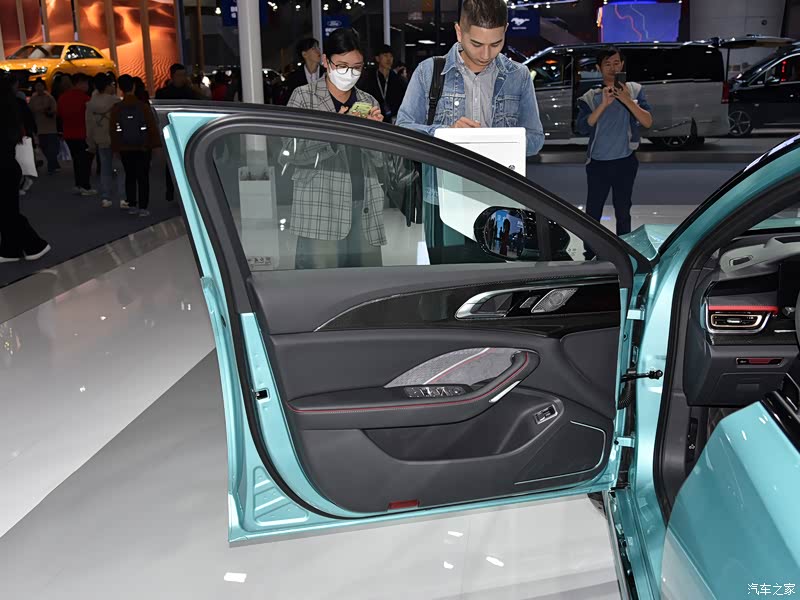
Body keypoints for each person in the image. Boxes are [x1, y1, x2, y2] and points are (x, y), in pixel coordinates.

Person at [396, 0, 544, 263]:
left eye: (496, 43)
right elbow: (403, 130)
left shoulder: (519, 76)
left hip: (501, 200)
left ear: (505, 30)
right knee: (448, 279)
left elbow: (535, 139)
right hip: (443, 199)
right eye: (476, 44)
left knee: (498, 282)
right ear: (458, 31)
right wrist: (446, 133)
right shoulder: (430, 71)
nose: (486, 54)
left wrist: (497, 142)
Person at [283, 28, 385, 269]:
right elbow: (290, 151)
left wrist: (376, 134)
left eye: (357, 67)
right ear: (326, 61)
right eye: (342, 66)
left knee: (367, 281)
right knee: (322, 280)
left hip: (364, 205)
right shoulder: (304, 97)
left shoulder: (368, 101)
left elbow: (381, 161)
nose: (349, 73)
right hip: (321, 206)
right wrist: (336, 134)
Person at [576, 46, 652, 255]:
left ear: (623, 65)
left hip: (625, 161)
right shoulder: (591, 96)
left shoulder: (635, 90)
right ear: (599, 68)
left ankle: (624, 252)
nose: (612, 68)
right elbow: (582, 127)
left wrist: (626, 99)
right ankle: (590, 252)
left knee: (623, 210)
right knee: (593, 211)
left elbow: (647, 121)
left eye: (616, 63)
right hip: (597, 163)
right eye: (607, 64)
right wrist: (604, 104)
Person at [0, 75, 50, 263]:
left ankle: (35, 245)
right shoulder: (12, 105)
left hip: (4, 167)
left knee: (7, 212)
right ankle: (10, 249)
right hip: (8, 165)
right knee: (7, 211)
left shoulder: (6, 108)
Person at [110, 75, 160, 217]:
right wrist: (154, 145)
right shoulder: (143, 107)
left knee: (129, 176)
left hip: (125, 148)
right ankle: (143, 207)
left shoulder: (117, 108)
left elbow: (113, 130)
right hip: (143, 147)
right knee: (143, 177)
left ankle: (132, 205)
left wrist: (116, 148)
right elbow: (152, 127)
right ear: (133, 86)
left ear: (120, 88)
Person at [156, 64, 199, 201]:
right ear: (172, 76)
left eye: (183, 75)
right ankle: (171, 190)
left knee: (185, 161)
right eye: (179, 75)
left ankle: (184, 191)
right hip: (170, 130)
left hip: (186, 130)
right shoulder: (163, 93)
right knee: (171, 162)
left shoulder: (191, 93)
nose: (182, 78)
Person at [86, 73, 123, 209]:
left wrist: (90, 142)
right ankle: (123, 197)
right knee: (120, 169)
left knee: (105, 169)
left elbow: (89, 124)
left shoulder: (91, 104)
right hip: (116, 139)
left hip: (100, 139)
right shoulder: (116, 101)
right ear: (107, 86)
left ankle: (106, 197)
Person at [58, 72, 95, 195]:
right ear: (80, 83)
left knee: (76, 160)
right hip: (83, 134)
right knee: (85, 161)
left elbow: (60, 114)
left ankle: (78, 184)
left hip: (69, 133)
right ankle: (85, 186)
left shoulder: (63, 98)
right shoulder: (86, 99)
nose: (87, 86)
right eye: (86, 83)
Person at [358, 44, 407, 123]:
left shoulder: (398, 80)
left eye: (391, 56)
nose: (389, 59)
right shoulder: (368, 79)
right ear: (377, 58)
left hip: (394, 120)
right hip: (372, 119)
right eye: (385, 55)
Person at [29, 78, 59, 174]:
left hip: (50, 126)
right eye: (37, 86)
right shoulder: (33, 98)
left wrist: (48, 111)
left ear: (44, 86)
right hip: (39, 126)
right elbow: (30, 110)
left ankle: (51, 165)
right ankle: (53, 163)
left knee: (51, 148)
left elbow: (55, 110)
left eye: (40, 86)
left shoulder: (49, 97)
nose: (38, 88)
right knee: (43, 146)